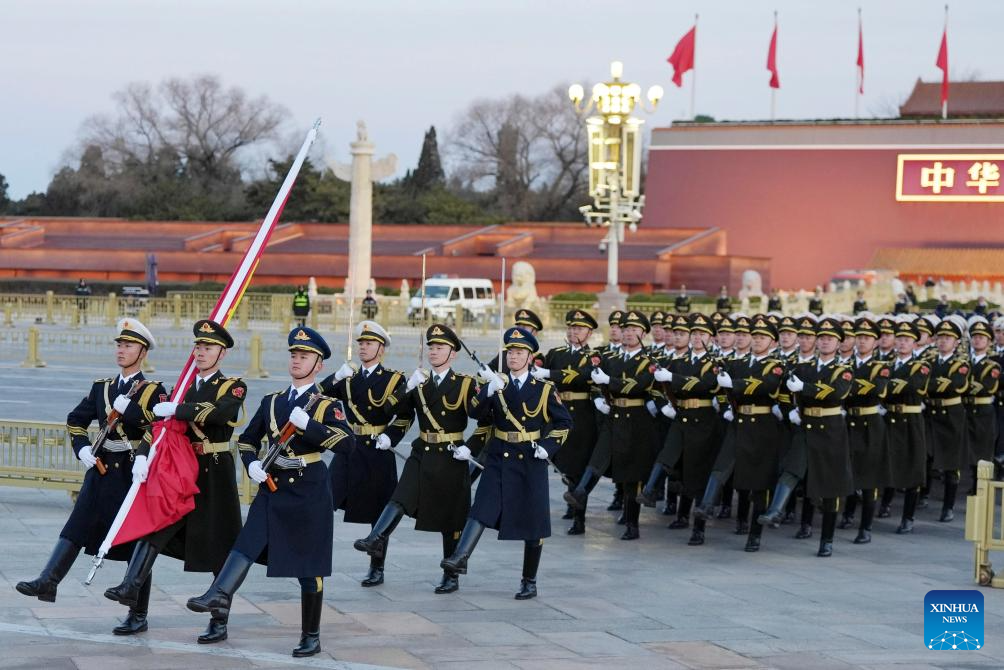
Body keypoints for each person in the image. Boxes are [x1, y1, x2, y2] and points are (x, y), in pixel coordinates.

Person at [187, 327, 352, 656]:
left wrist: (311, 426)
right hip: (273, 486)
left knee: (309, 567)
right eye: (293, 354)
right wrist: (250, 464)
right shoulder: (272, 401)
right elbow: (248, 439)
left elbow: (347, 444)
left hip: (309, 490)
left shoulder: (327, 404)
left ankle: (311, 634)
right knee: (246, 543)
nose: (296, 360)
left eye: (303, 356)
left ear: (318, 365)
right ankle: (219, 593)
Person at [16, 320, 165, 632]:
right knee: (76, 525)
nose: (121, 350)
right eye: (119, 345)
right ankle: (48, 581)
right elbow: (76, 419)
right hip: (99, 469)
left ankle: (137, 614)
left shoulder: (153, 390)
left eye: (128, 346)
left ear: (142, 352)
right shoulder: (103, 387)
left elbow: (158, 426)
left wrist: (132, 415)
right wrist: (82, 448)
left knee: (133, 542)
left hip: (130, 473)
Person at [104, 320, 246, 643]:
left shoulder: (232, 386)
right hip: (180, 468)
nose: (200, 352)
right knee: (154, 527)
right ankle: (132, 591)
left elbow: (219, 413)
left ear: (221, 354)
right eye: (198, 347)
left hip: (213, 470)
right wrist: (142, 454)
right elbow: (159, 426)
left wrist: (178, 409)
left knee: (219, 547)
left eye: (208, 348)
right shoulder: (183, 385)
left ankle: (219, 620)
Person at [442, 326, 571, 599]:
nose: (513, 356)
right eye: (510, 352)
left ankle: (529, 580)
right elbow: (476, 414)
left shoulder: (544, 389)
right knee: (480, 508)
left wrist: (548, 447)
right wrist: (488, 389)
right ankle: (460, 557)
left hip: (529, 459)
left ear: (530, 358)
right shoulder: (498, 384)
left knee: (533, 523)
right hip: (499, 455)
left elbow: (563, 422)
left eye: (519, 352)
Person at [353, 324, 479, 594]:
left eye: (440, 348)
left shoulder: (466, 384)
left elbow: (486, 421)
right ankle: (375, 538)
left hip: (451, 456)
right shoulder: (420, 382)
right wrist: (391, 434)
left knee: (451, 519)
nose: (434, 352)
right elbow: (398, 413)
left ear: (452, 354)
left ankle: (451, 575)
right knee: (400, 496)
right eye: (431, 347)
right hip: (422, 452)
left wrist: (471, 447)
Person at [319, 320, 405, 587]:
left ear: (381, 348)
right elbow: (316, 395)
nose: (363, 348)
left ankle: (376, 568)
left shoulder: (393, 379)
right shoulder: (349, 376)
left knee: (377, 513)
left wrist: (391, 436)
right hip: (350, 446)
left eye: (368, 344)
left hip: (378, 449)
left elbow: (402, 415)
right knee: (324, 500)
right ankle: (314, 558)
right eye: (361, 343)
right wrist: (335, 377)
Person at [712, 315, 785, 551]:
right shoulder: (738, 363)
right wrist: (726, 407)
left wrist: (735, 384)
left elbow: (766, 386)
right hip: (739, 422)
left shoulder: (776, 365)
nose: (756, 340)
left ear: (773, 343)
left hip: (764, 427)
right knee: (737, 476)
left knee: (760, 483)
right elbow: (723, 389)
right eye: (755, 336)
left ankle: (755, 533)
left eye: (762, 337)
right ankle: (737, 518)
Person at [783, 316, 853, 557]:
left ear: (838, 343)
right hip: (807, 425)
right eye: (821, 338)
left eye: (829, 339)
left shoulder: (843, 370)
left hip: (831, 429)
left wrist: (805, 389)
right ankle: (802, 523)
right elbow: (794, 392)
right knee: (807, 478)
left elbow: (835, 393)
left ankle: (827, 539)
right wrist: (795, 408)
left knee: (830, 485)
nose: (824, 342)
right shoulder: (805, 367)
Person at [590, 311, 658, 540]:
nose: (629, 333)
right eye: (626, 329)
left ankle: (632, 524)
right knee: (600, 459)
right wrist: (599, 397)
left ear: (643, 334)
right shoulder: (613, 358)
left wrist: (610, 382)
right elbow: (598, 382)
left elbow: (639, 385)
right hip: (615, 416)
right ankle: (580, 493)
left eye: (634, 330)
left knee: (632, 474)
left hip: (638, 420)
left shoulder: (649, 360)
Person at [533, 310, 598, 535]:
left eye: (579, 329)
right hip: (557, 413)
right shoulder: (556, 353)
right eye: (571, 328)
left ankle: (579, 518)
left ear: (589, 333)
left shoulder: (594, 357)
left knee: (578, 465)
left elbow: (580, 376)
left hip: (582, 415)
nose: (573, 332)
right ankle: (570, 506)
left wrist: (549, 372)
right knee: (562, 463)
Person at [838, 318, 889, 544]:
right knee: (848, 471)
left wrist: (848, 387)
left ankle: (865, 526)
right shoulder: (845, 365)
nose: (861, 342)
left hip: (870, 424)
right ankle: (848, 514)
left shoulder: (881, 367)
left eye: (866, 338)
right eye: (858, 337)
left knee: (868, 478)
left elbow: (876, 389)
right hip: (847, 421)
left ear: (875, 342)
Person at [884, 320, 931, 534]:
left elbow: (914, 385)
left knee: (912, 468)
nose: (902, 343)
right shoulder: (886, 364)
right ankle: (884, 505)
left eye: (907, 340)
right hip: (888, 419)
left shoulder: (921, 365)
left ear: (915, 343)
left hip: (911, 421)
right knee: (885, 465)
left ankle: (908, 517)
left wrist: (884, 387)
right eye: (900, 339)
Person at [926, 317, 971, 522]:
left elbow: (956, 384)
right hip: (931, 413)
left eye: (948, 338)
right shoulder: (929, 360)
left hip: (951, 415)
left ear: (956, 342)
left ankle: (948, 506)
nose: (943, 341)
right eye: (940, 337)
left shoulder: (960, 363)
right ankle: (922, 496)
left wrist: (930, 384)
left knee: (952, 464)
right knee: (927, 458)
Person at [965, 318, 999, 493]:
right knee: (968, 449)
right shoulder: (964, 361)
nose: (977, 340)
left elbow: (987, 386)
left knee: (983, 450)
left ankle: (982, 485)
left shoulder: (993, 363)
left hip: (983, 411)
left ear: (989, 341)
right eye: (975, 336)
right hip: (965, 409)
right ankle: (973, 482)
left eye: (982, 337)